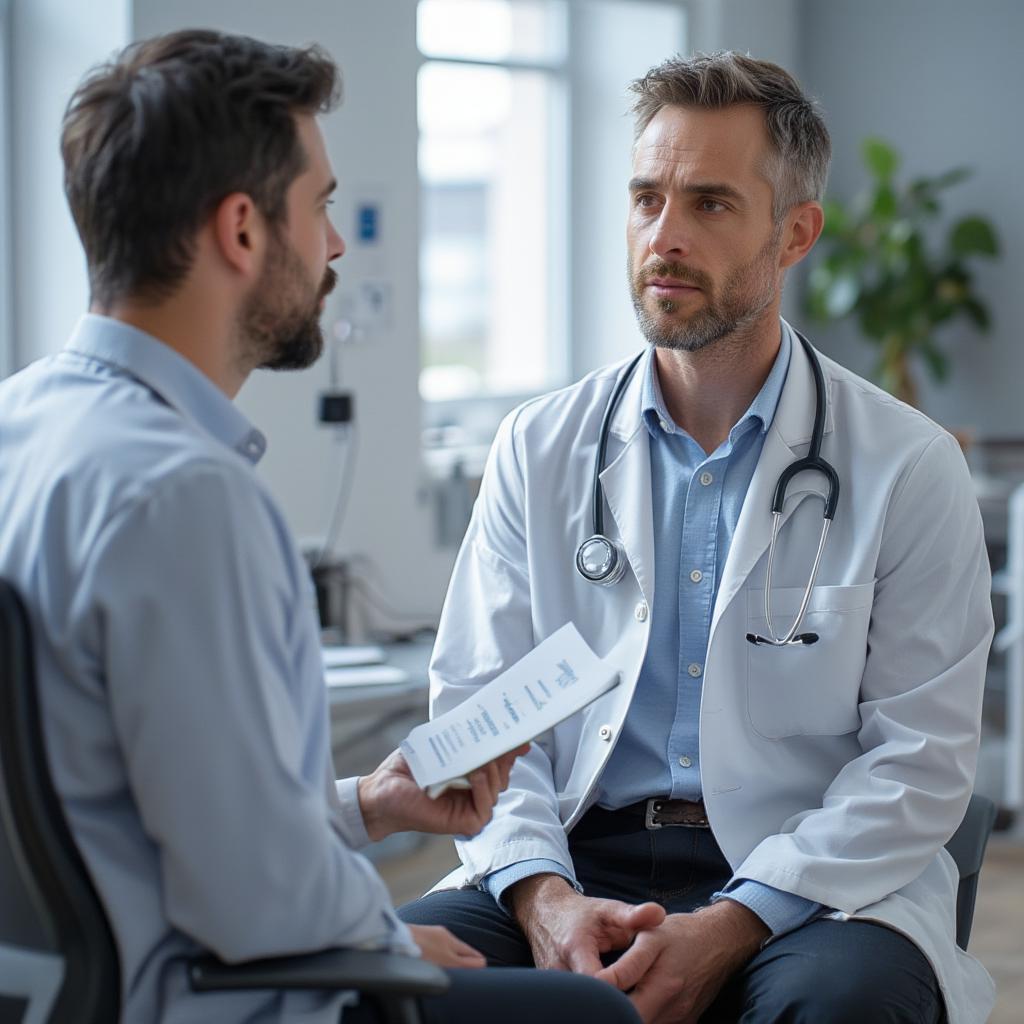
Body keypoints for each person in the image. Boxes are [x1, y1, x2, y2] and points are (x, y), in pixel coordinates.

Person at [0, 30, 642, 1024]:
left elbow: (170, 811)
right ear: (243, 231)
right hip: (203, 998)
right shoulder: (187, 496)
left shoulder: (21, 428)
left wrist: (368, 804)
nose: (336, 244)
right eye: (322, 205)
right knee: (590, 1016)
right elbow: (259, 899)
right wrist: (387, 941)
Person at [400, 51, 996, 1024]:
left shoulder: (907, 464)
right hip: (570, 855)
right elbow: (480, 710)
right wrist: (543, 898)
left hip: (809, 882)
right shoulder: (538, 446)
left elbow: (917, 762)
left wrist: (734, 919)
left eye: (710, 204)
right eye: (645, 198)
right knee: (395, 993)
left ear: (794, 232)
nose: (662, 236)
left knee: (838, 1007)